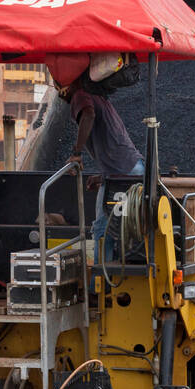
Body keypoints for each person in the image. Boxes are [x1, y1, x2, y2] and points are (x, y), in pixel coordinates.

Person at [61, 75, 145, 265]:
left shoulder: (80, 95)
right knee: (125, 229)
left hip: (122, 175)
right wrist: (102, 177)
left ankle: (100, 286)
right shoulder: (96, 95)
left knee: (103, 229)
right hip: (129, 168)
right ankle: (115, 282)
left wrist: (77, 153)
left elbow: (88, 114)